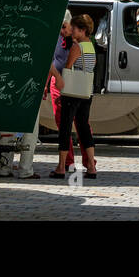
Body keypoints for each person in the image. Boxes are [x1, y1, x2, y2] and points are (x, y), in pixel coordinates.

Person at [52, 14, 98, 179]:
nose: (72, 31)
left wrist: (62, 91)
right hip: (87, 92)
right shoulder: (91, 46)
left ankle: (61, 167)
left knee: (65, 127)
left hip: (73, 93)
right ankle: (91, 166)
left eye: (75, 29)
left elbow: (68, 68)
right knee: (84, 127)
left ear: (82, 30)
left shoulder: (77, 47)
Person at [46, 10, 75, 171]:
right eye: (61, 27)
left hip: (69, 84)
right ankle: (67, 161)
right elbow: (51, 61)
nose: (63, 31)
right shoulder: (57, 37)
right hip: (56, 83)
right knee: (61, 123)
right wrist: (47, 84)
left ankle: (69, 162)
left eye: (65, 27)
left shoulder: (75, 41)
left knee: (69, 123)